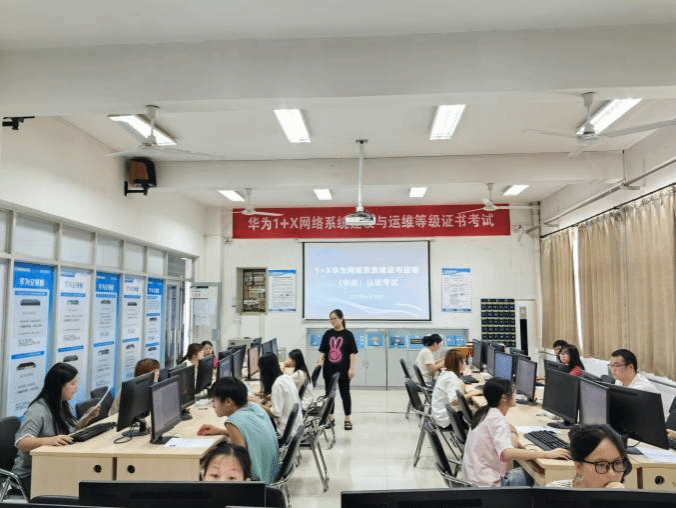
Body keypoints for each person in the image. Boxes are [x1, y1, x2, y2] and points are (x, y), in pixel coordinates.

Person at [12, 363, 101, 497]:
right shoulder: (38, 410)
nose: (76, 388)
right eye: (72, 383)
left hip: (52, 467)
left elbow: (70, 431)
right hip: (29, 475)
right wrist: (48, 441)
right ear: (59, 386)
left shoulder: (61, 404)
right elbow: (21, 442)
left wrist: (87, 417)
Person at [461, 378, 570, 487]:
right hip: (487, 486)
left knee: (526, 467)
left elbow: (507, 438)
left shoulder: (485, 412)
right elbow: (507, 454)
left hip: (473, 479)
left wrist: (512, 433)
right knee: (534, 476)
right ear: (504, 398)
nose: (516, 394)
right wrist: (547, 454)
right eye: (513, 391)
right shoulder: (498, 419)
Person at [197, 377, 279, 484]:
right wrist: (221, 431)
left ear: (228, 402)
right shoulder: (254, 406)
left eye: (214, 400)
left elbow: (239, 459)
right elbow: (250, 435)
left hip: (259, 481)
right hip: (272, 471)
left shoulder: (233, 422)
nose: (213, 405)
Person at [548, 424, 631, 488]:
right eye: (601, 465)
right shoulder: (554, 492)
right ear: (579, 467)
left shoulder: (626, 499)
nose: (612, 474)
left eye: (617, 463)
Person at [317, 309, 358, 430]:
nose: (332, 321)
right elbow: (322, 351)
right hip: (329, 370)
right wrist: (319, 362)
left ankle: (347, 418)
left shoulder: (348, 334)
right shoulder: (328, 334)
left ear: (341, 319)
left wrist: (352, 368)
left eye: (334, 318)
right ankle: (331, 417)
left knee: (345, 394)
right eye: (331, 319)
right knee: (329, 395)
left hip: (344, 370)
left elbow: (352, 353)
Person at [431, 350, 481, 428]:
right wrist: (471, 394)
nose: (465, 364)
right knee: (482, 415)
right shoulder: (451, 379)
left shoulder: (446, 373)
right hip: (448, 419)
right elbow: (454, 401)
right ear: (459, 363)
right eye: (464, 361)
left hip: (440, 414)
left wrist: (464, 389)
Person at [254, 353, 301, 436]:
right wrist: (266, 397)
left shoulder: (277, 384)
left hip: (284, 432)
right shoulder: (286, 378)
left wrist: (256, 404)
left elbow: (276, 413)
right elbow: (283, 399)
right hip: (295, 426)